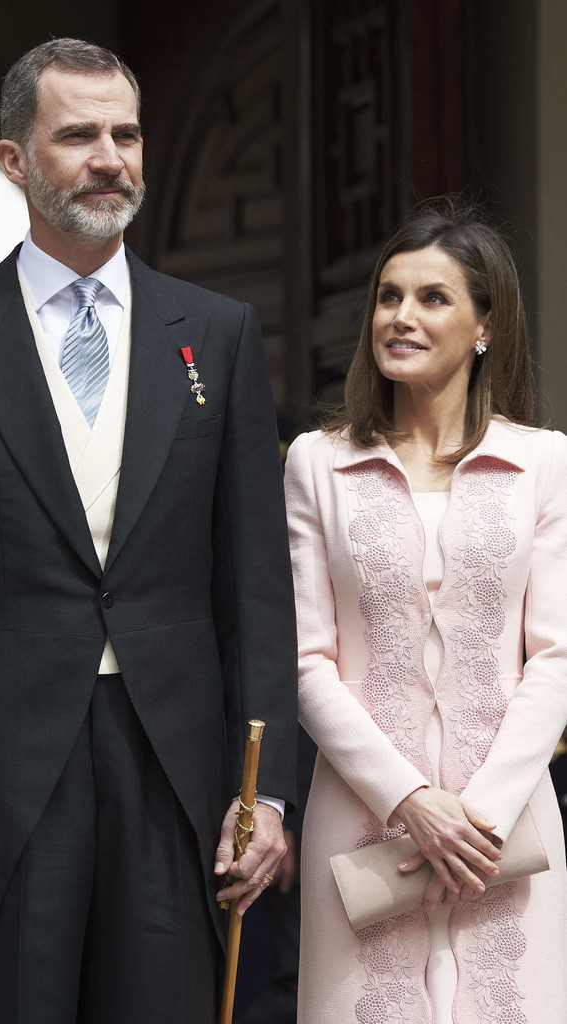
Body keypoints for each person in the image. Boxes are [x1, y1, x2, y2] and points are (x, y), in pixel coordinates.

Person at [0, 38, 297, 1024]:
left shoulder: (218, 334)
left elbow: (254, 582)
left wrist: (269, 790)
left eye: (127, 133)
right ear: (15, 159)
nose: (111, 156)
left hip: (178, 772)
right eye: (78, 135)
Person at [284, 197, 567, 1023]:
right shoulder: (317, 464)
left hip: (504, 832)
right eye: (388, 296)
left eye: (432, 298)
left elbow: (554, 655)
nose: (400, 317)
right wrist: (411, 799)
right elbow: (305, 661)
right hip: (366, 823)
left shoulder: (543, 464)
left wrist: (475, 816)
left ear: (486, 326)